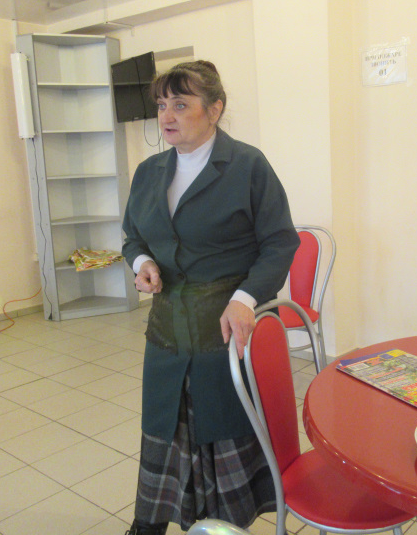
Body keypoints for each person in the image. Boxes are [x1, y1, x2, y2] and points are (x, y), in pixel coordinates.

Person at [121, 60, 300, 535]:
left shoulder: (247, 166)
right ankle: (149, 523)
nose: (167, 116)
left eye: (181, 105)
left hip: (223, 329)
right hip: (167, 331)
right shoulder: (149, 172)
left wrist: (246, 296)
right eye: (162, 105)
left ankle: (225, 524)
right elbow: (132, 237)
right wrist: (142, 263)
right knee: (165, 428)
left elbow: (280, 242)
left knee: (221, 429)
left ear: (215, 109)